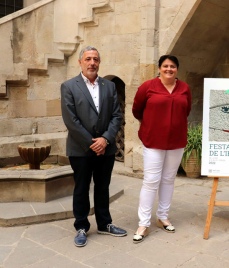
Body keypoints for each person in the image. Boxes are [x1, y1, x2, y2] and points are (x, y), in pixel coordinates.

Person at [61, 46, 127, 247]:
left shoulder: (109, 86)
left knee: (103, 187)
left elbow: (117, 115)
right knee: (81, 188)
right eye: (88, 59)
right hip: (80, 149)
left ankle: (104, 224)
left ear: (99, 63)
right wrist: (93, 144)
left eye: (96, 59)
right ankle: (81, 226)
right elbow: (71, 120)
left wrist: (105, 140)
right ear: (80, 62)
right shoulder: (69, 86)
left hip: (105, 149)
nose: (92, 63)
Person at [132, 55, 192, 243]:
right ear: (159, 68)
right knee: (151, 180)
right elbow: (136, 110)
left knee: (168, 179)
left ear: (177, 69)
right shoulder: (147, 87)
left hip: (176, 141)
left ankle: (162, 217)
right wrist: (150, 123)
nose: (168, 69)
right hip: (153, 141)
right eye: (165, 66)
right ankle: (143, 223)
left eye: (172, 66)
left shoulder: (184, 88)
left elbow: (186, 110)